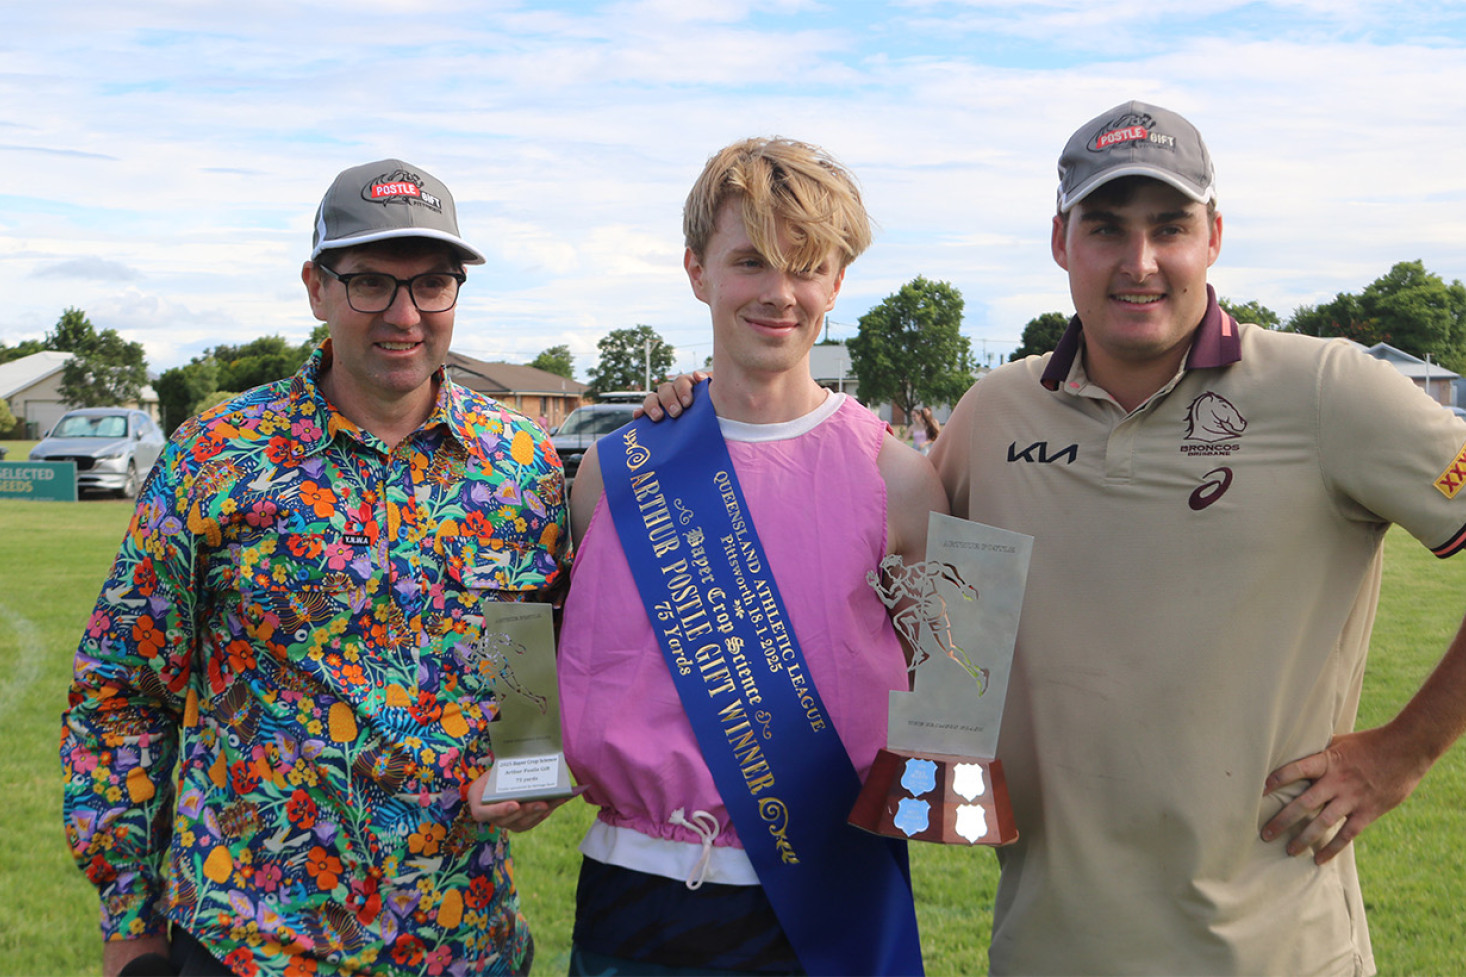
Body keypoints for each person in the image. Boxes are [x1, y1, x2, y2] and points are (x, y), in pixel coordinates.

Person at [926, 101, 1466, 974]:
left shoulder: (1326, 389)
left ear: (1213, 236)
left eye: (1169, 227)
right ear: (1062, 242)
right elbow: (869, 538)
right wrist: (703, 411)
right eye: (1106, 229)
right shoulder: (997, 412)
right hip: (1048, 949)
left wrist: (1403, 751)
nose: (1140, 263)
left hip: (1277, 953)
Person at [61, 159, 568, 976]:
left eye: (432, 283)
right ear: (316, 286)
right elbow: (123, 690)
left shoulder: (522, 466)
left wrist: (533, 767)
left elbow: (533, 678)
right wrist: (129, 919)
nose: (404, 315)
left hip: (459, 941)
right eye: (370, 281)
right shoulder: (218, 456)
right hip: (249, 942)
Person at [557, 137, 947, 975]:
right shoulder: (612, 473)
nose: (780, 293)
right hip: (636, 891)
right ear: (697, 269)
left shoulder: (903, 483)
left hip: (831, 897)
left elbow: (947, 689)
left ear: (837, 282)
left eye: (807, 266)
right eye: (751, 261)